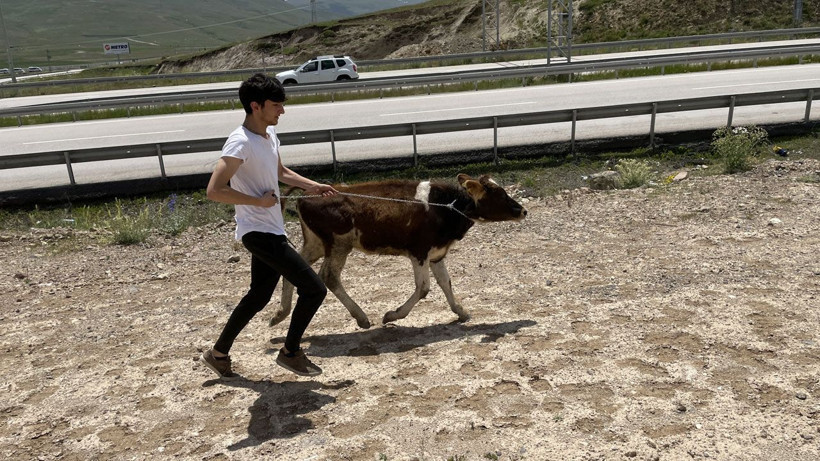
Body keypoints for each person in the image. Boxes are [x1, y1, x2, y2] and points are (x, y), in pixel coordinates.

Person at [200, 73, 338, 378]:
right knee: (314, 289)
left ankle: (218, 354)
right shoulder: (240, 142)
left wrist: (312, 186)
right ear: (256, 106)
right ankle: (290, 352)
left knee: (259, 296)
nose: (282, 111)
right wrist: (257, 202)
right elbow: (214, 190)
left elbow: (280, 171)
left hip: (271, 229)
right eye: (276, 105)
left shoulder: (268, 136)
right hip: (258, 232)